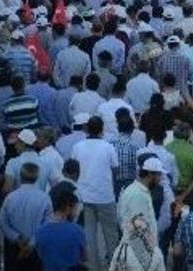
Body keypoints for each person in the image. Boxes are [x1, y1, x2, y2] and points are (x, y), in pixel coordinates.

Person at [71, 114, 121, 271]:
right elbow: (115, 170)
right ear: (102, 130)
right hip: (105, 195)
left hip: (84, 195)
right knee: (111, 234)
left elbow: (74, 170)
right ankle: (113, 266)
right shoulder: (108, 147)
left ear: (86, 129)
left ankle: (93, 267)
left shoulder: (77, 147)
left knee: (89, 235)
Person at [0, 162, 52, 271]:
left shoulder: (10, 198)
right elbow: (47, 224)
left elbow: (2, 222)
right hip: (36, 250)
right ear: (37, 177)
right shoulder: (45, 198)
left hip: (13, 249)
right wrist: (31, 243)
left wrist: (17, 238)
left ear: (20, 176)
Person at [35, 187, 87, 271]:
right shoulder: (77, 230)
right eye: (75, 208)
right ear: (68, 208)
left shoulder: (40, 231)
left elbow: (40, 255)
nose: (76, 213)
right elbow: (84, 257)